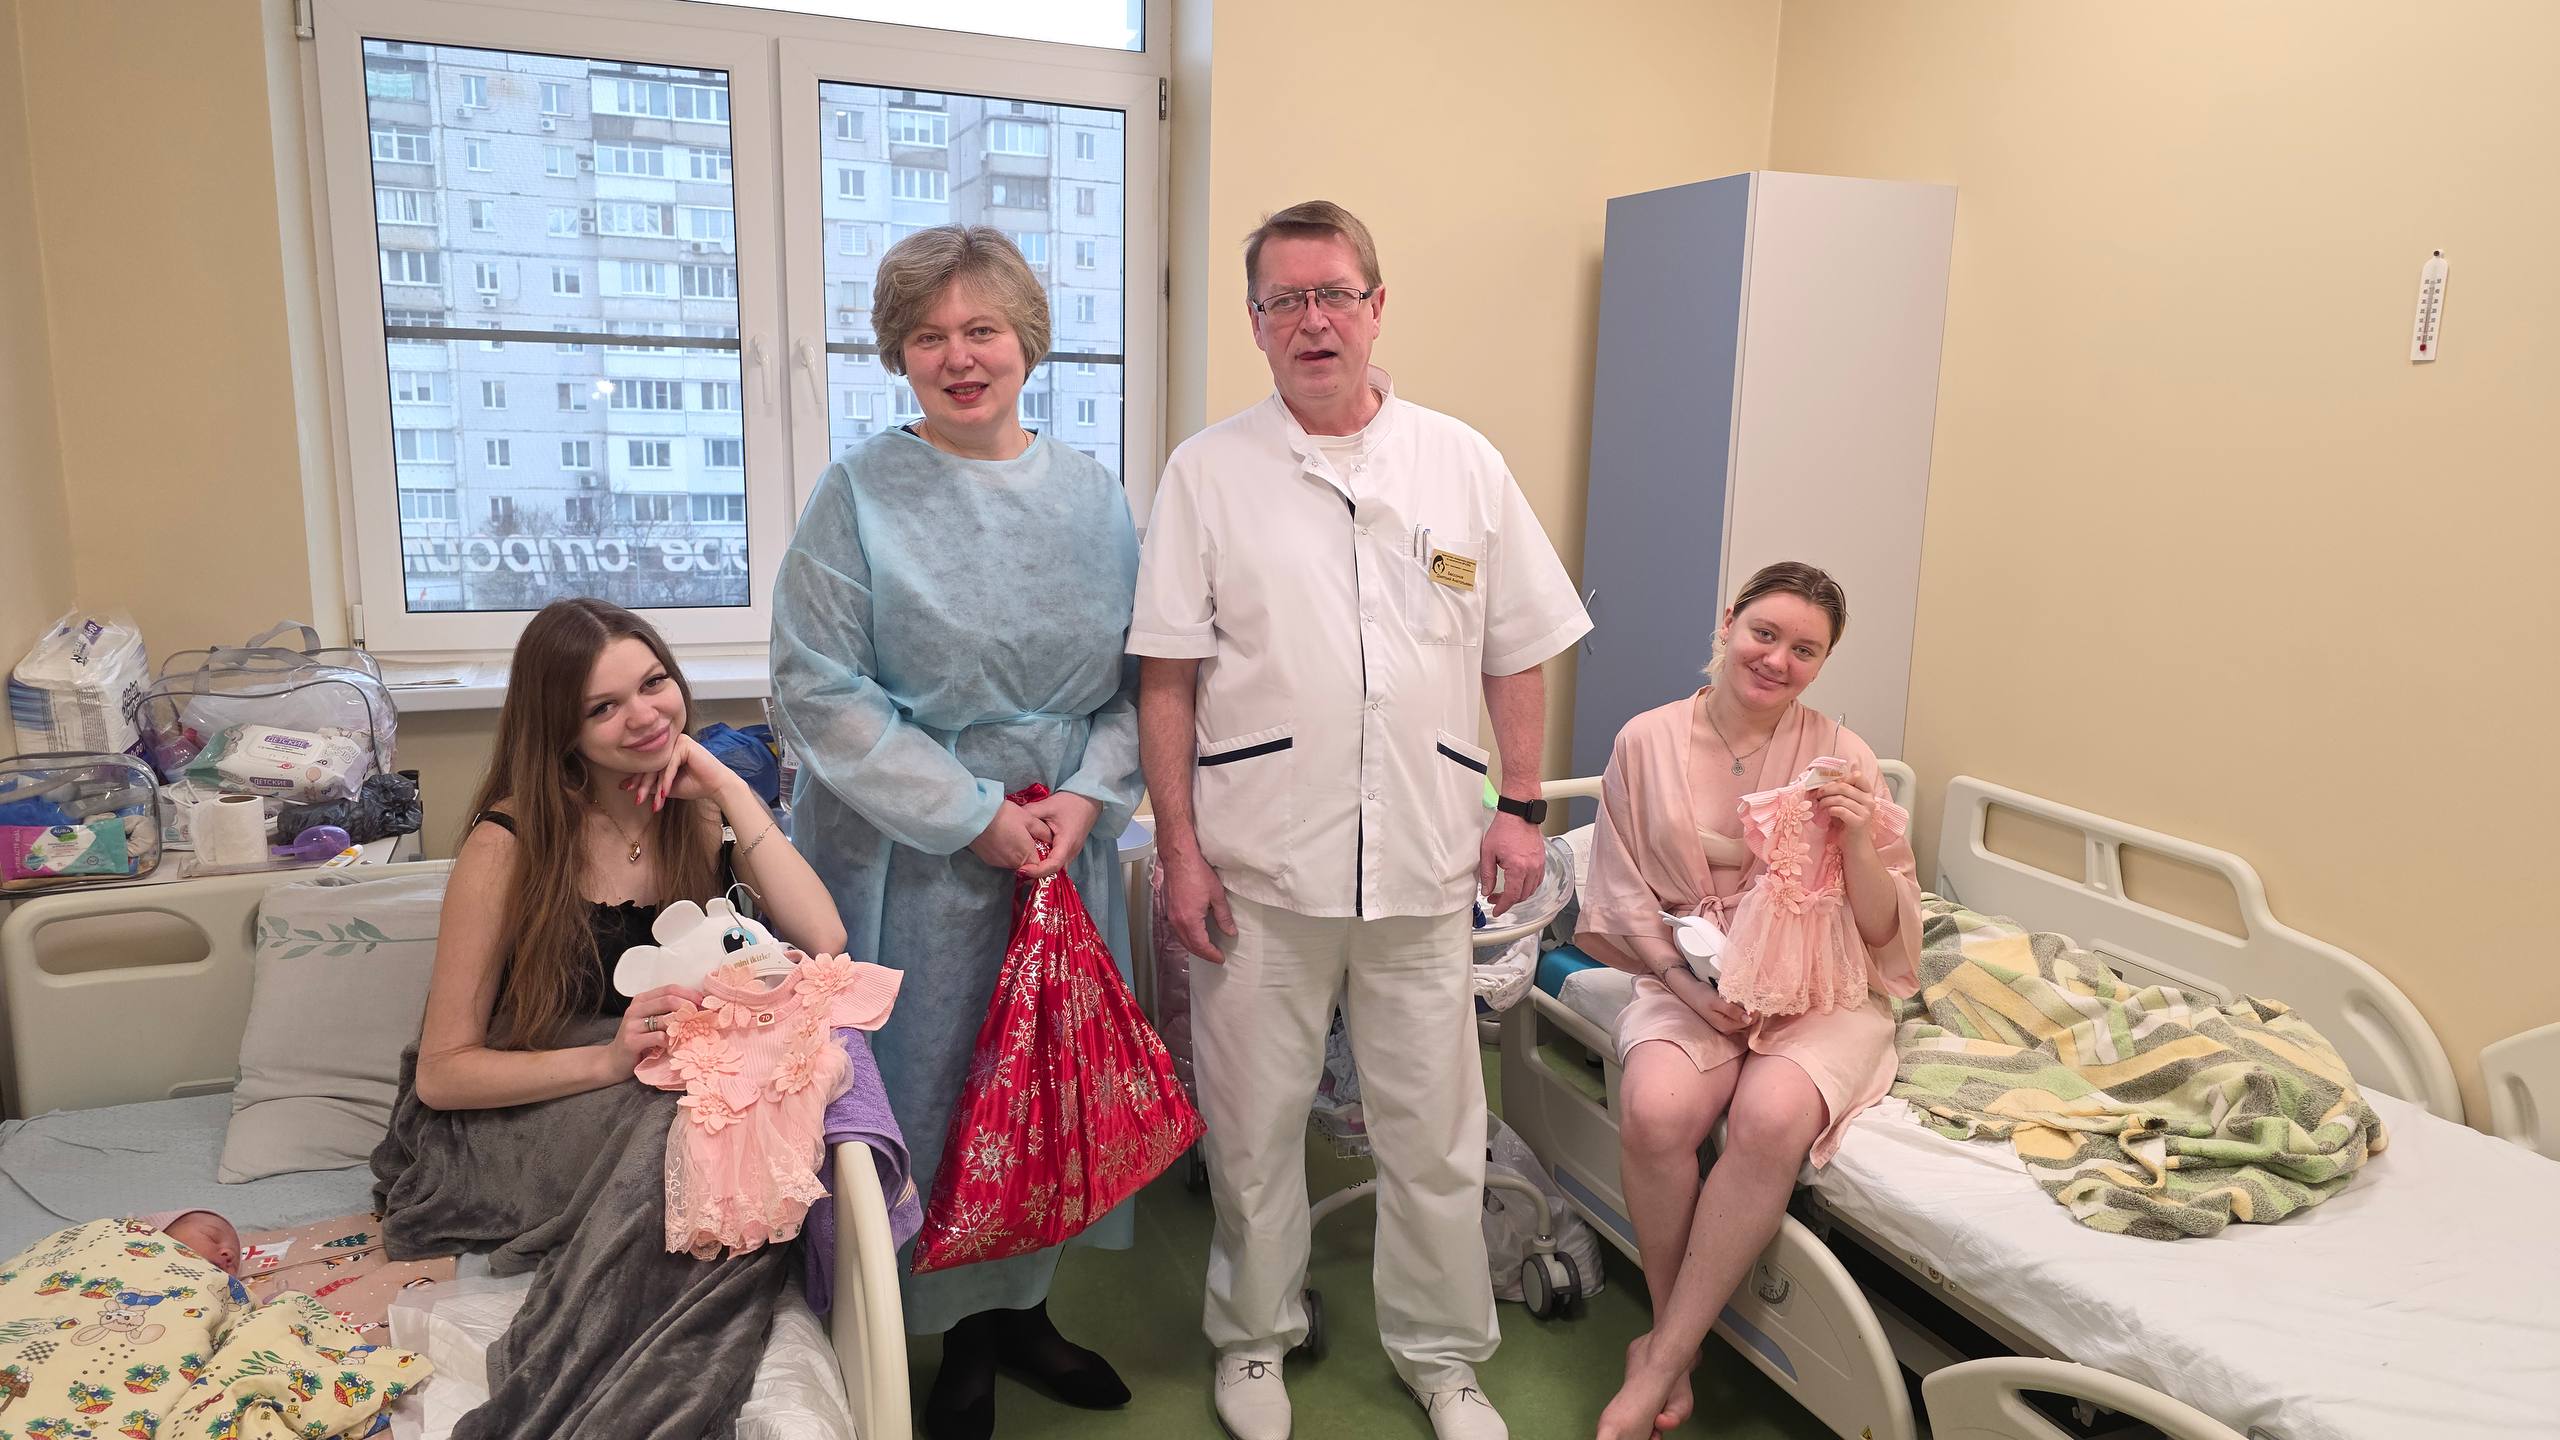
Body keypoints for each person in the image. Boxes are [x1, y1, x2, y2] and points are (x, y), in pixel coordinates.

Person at [1133, 200, 1591, 1440]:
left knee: (1434, 1134)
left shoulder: (1460, 463)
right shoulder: (1207, 472)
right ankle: (1254, 1339)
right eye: (1284, 300)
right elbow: (1166, 675)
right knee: (1252, 1130)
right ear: (1254, 323)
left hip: (1424, 860)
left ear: (1377, 307)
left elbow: (1516, 646)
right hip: (1259, 865)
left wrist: (1520, 807)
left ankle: (1444, 1358)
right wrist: (1178, 849)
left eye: (1335, 293)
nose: (1313, 320)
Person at [769, 225, 1144, 1440]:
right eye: (928, 336)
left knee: (1044, 1096)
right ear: (898, 354)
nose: (959, 356)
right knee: (929, 1099)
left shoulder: (1095, 497)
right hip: (906, 859)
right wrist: (972, 816)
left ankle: (1021, 1314)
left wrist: (1090, 796)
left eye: (982, 329)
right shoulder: (858, 497)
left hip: (1062, 847)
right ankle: (941, 1340)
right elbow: (817, 689)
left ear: (1027, 341)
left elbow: (1140, 681)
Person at [388, 596, 848, 1440]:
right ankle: (581, 1391)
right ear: (560, 729)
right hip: (516, 1109)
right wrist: (606, 1062)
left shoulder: (694, 812)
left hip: (649, 1089)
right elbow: (443, 1074)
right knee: (699, 1128)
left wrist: (726, 785)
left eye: (654, 683)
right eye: (603, 706)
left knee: (729, 1120)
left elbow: (824, 938)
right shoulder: (509, 843)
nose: (644, 717)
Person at [1573, 562, 1921, 1440]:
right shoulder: (1645, 741)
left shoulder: (1844, 757)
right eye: (1765, 633)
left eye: (1805, 650)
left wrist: (1858, 839)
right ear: (1729, 623)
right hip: (1692, 972)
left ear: (1823, 662)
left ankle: (1659, 1361)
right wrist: (1688, 989)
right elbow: (1620, 896)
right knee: (1655, 1111)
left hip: (1817, 981)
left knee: (1769, 1118)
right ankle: (1677, 1337)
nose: (1777, 660)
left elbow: (1885, 928)